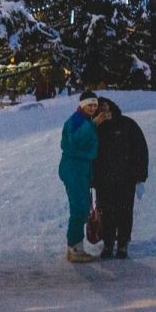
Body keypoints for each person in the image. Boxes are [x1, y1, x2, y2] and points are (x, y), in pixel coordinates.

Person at [93, 97, 149, 259]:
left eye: (105, 106)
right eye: (99, 108)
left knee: (124, 211)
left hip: (126, 178)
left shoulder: (127, 124)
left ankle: (123, 243)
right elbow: (90, 153)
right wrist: (91, 177)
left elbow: (140, 148)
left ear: (112, 107)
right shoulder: (96, 128)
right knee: (107, 212)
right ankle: (108, 243)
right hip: (104, 179)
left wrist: (140, 173)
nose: (103, 110)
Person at [59, 91, 108, 262]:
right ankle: (75, 248)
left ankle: (73, 247)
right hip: (74, 167)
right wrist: (94, 124)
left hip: (80, 168)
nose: (93, 108)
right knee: (79, 207)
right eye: (90, 105)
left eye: (94, 105)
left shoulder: (84, 120)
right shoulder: (76, 120)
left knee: (81, 206)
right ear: (82, 105)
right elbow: (76, 140)